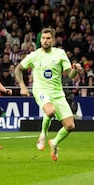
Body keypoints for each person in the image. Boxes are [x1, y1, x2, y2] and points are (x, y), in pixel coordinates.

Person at [15, 28, 82, 161]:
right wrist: (22, 86)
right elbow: (18, 69)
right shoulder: (34, 55)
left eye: (48, 38)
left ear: (53, 40)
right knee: (50, 111)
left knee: (70, 126)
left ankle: (55, 142)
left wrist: (76, 71)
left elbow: (70, 75)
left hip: (58, 92)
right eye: (43, 38)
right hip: (41, 90)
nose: (45, 41)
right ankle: (43, 134)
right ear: (40, 40)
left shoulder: (60, 53)